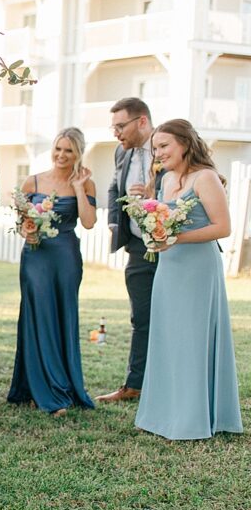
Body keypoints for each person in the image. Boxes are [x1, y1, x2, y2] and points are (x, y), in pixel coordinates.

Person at [134, 120, 241, 440]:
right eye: (155, 147)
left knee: (193, 338)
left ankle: (193, 418)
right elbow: (164, 222)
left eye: (164, 145)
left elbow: (223, 227)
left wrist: (177, 239)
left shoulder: (205, 177)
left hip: (198, 267)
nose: (159, 152)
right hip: (169, 266)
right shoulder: (165, 179)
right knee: (169, 336)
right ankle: (165, 412)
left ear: (185, 143)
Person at [6, 128, 97, 416]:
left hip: (66, 257)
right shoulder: (32, 181)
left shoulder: (87, 183)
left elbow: (89, 221)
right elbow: (21, 221)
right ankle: (39, 388)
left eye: (68, 150)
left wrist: (80, 188)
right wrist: (27, 232)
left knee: (63, 317)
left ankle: (64, 385)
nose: (61, 155)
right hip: (36, 256)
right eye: (58, 148)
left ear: (78, 153)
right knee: (38, 316)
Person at [96, 97, 160, 403]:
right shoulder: (121, 151)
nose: (116, 133)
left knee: (174, 316)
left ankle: (169, 383)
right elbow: (113, 187)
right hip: (137, 245)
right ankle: (134, 385)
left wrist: (152, 194)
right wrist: (113, 223)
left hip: (173, 247)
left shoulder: (168, 145)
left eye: (121, 126)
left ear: (142, 121)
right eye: (114, 127)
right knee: (141, 316)